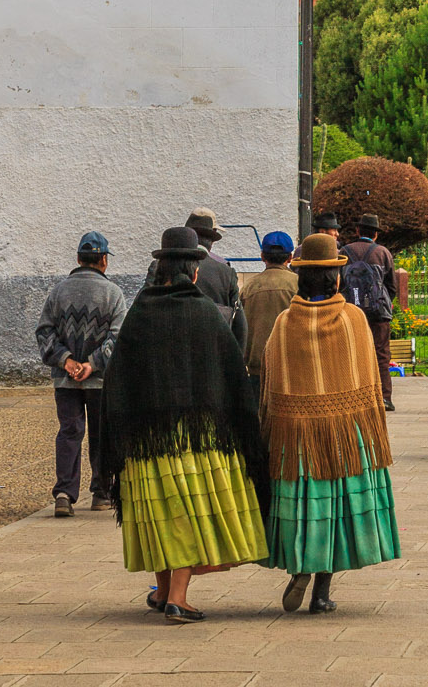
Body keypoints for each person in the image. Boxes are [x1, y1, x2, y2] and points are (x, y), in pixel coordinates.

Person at [96, 226, 268, 624]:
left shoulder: (140, 313)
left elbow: (118, 378)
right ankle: (178, 597)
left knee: (159, 515)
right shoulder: (206, 314)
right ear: (193, 271)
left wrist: (117, 441)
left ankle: (161, 592)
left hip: (144, 442)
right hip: (196, 442)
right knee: (190, 515)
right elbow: (231, 378)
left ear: (160, 269)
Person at [262, 232, 400, 613]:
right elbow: (370, 376)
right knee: (336, 507)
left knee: (306, 504)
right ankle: (321, 593)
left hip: (298, 433)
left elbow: (271, 378)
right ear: (336, 278)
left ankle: (300, 567)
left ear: (301, 277)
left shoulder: (285, 323)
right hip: (344, 433)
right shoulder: (353, 319)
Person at [36, 229, 127, 516]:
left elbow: (44, 332)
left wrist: (66, 361)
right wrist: (93, 363)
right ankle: (101, 492)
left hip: (65, 379)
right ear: (103, 260)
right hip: (100, 380)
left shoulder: (58, 292)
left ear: (78, 258)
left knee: (69, 431)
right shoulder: (113, 293)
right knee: (101, 433)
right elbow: (117, 337)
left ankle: (64, 493)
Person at [341, 213, 398, 411]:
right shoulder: (383, 253)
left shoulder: (345, 251)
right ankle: (384, 398)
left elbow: (338, 283)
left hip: (351, 312)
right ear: (375, 234)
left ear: (358, 231)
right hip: (378, 313)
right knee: (381, 353)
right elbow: (391, 286)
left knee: (352, 353)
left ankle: (354, 395)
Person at [239, 232, 297, 406]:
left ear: (262, 256)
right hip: (291, 367)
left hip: (258, 368)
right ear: (290, 257)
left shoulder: (248, 287)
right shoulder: (299, 285)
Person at [186, 210, 248, 352]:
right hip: (214, 353)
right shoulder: (225, 272)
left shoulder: (159, 266)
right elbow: (240, 325)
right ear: (212, 240)